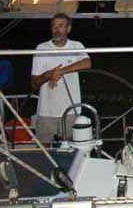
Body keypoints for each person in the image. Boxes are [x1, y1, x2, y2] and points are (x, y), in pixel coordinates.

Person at [31, 13, 91, 143]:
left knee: (71, 147)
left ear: (68, 29)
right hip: (46, 111)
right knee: (43, 148)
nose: (56, 30)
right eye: (54, 26)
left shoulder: (76, 46)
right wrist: (48, 75)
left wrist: (60, 72)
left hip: (71, 110)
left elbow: (87, 63)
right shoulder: (41, 48)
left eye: (61, 26)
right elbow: (34, 84)